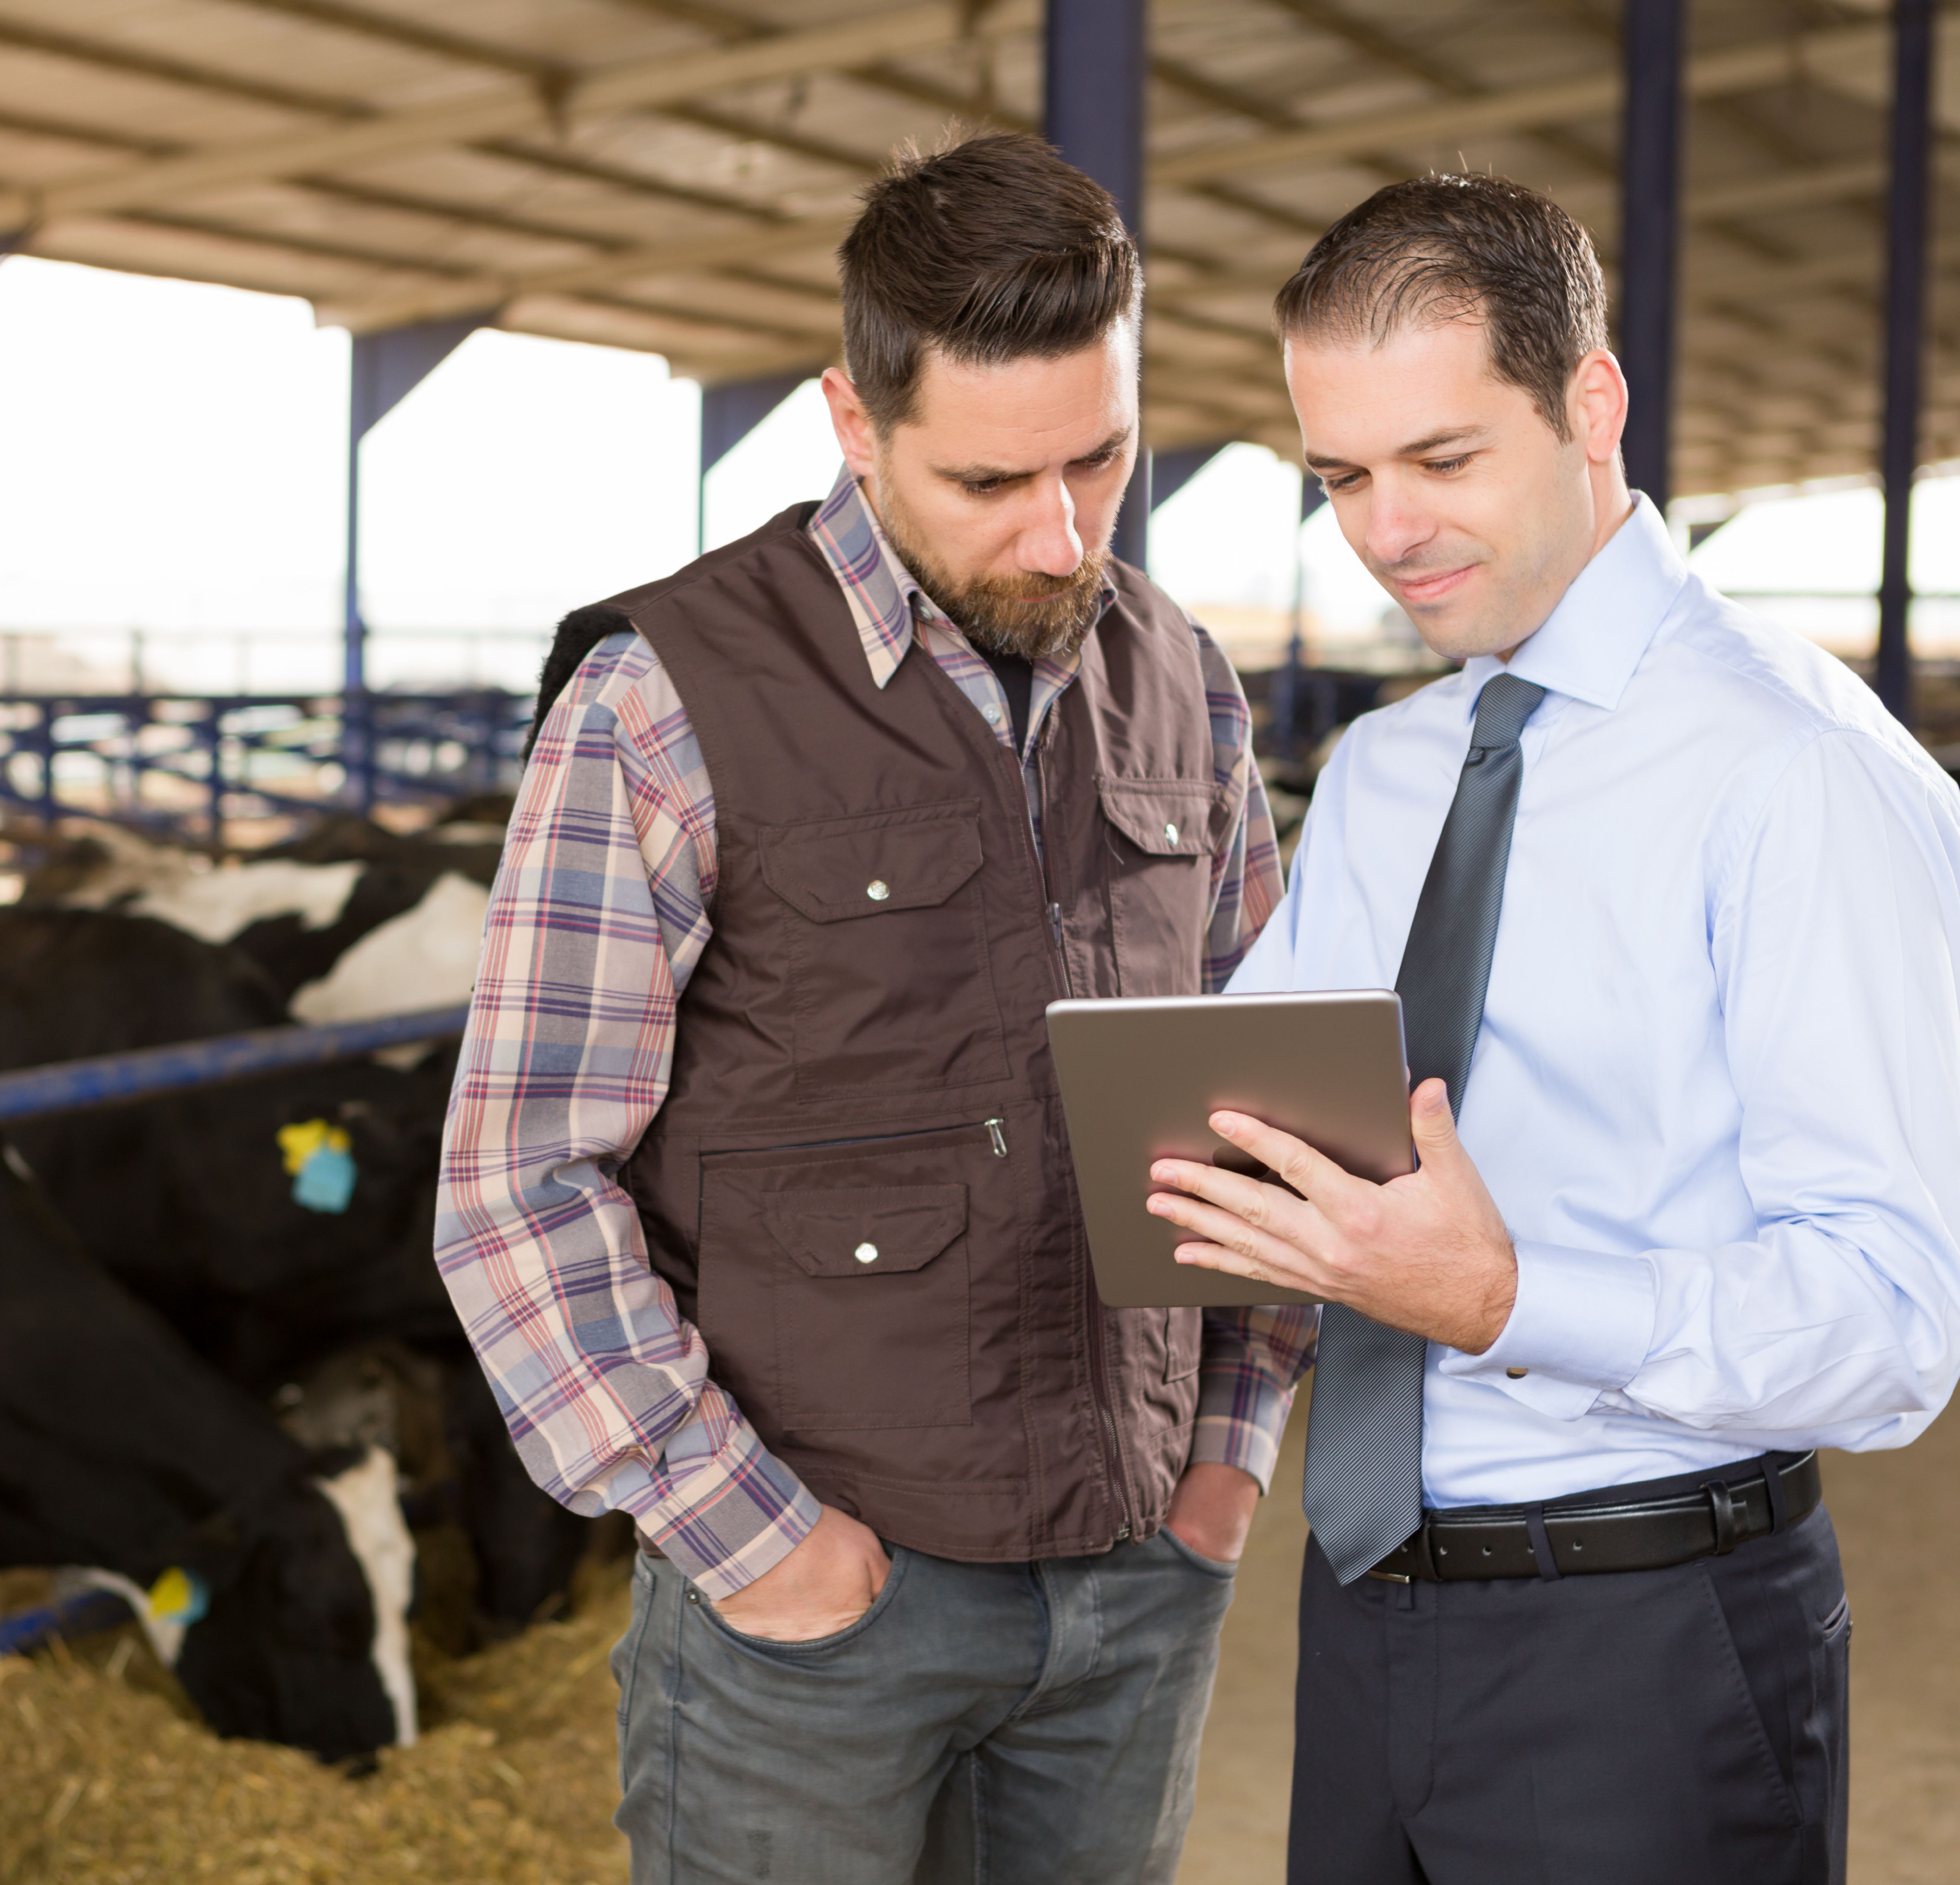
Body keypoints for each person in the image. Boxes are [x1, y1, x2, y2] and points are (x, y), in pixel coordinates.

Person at [432, 133, 1314, 1884]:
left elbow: (1260, 1099)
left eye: (1103, 459)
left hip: (1134, 1590)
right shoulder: (662, 698)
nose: (1061, 532)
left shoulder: (1183, 685)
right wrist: (751, 1538)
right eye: (992, 479)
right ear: (854, 421)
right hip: (817, 1613)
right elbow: (517, 1183)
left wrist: (1229, 1454)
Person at [1146, 173, 1960, 1883]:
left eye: (1441, 460)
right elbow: (1239, 1136)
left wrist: (1507, 1300)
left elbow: (1896, 1323)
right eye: (1341, 478)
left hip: (1649, 1638)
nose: (1385, 531)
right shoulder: (1383, 775)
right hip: (1367, 1609)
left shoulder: (1794, 771)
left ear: (1591, 401)